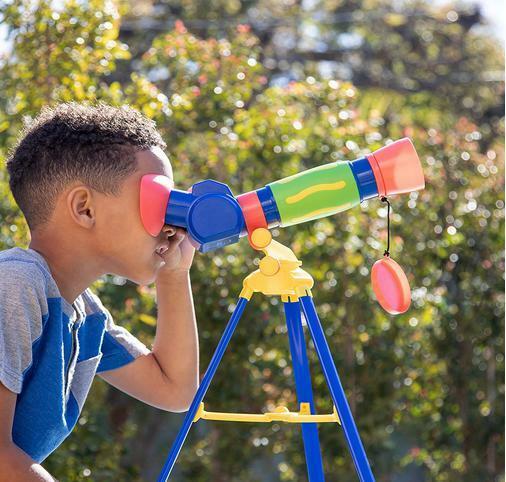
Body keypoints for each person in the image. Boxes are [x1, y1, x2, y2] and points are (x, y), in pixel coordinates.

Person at [0, 103, 199, 481]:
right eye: (159, 203)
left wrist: (174, 273)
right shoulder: (15, 285)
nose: (171, 225)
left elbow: (175, 390)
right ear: (84, 208)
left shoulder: (83, 315)